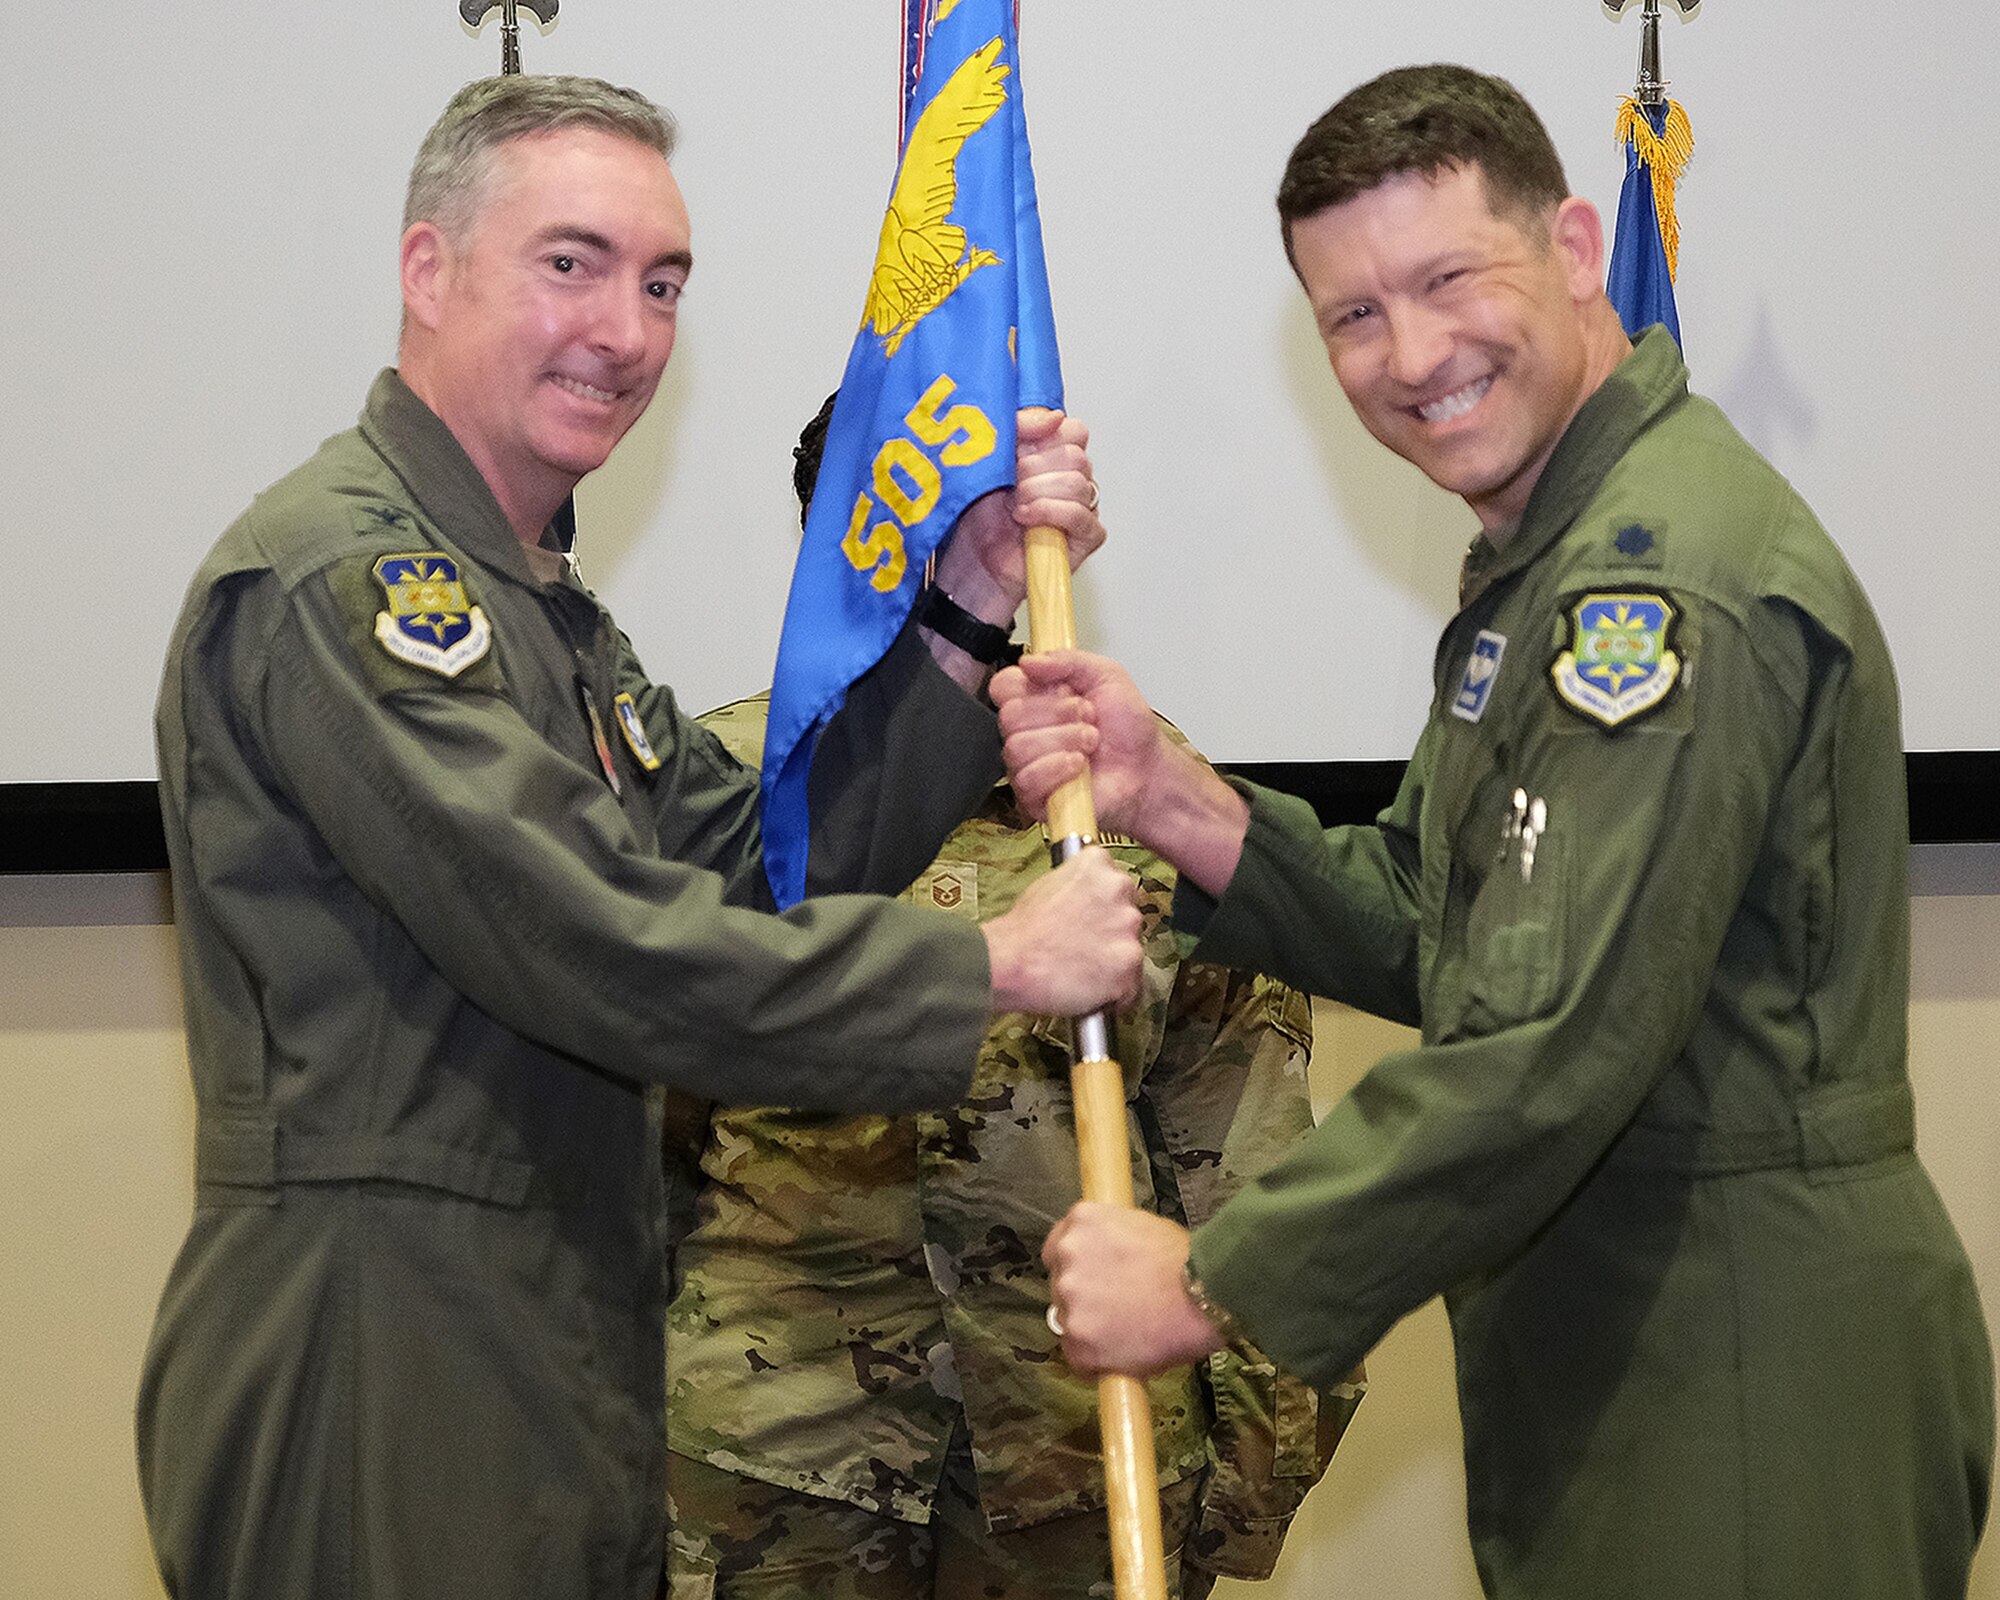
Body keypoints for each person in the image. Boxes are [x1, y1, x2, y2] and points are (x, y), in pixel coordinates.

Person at [996, 63, 1994, 1600]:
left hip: (1735, 1351)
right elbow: (1451, 922)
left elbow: (1544, 1044)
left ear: (1580, 251)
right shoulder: (1553, 561)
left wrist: (1209, 1281)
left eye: (1449, 278)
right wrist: (1176, 802)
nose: (1412, 354)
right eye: (1352, 315)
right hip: (1621, 1334)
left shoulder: (1650, 591)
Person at [137, 73, 1137, 1600]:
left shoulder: (533, 606)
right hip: (385, 1357)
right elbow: (594, 940)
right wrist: (989, 965)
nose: (625, 330)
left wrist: (966, 614)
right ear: (428, 270)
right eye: (571, 263)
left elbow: (758, 867)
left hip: (552, 1341)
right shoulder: (348, 582)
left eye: (661, 283)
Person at [658, 401, 1361, 1600]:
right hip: (768, 1474)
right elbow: (630, 1162)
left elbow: (1244, 1168)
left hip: (1078, 1465)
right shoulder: (720, 800)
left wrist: (1239, 1496)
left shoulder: (1139, 796)